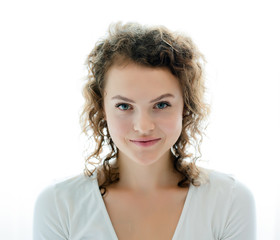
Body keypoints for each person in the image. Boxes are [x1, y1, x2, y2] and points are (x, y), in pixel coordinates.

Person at [33, 22, 256, 240]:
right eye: (124, 106)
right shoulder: (59, 205)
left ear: (185, 107)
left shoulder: (230, 202)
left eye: (161, 105)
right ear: (102, 109)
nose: (143, 126)